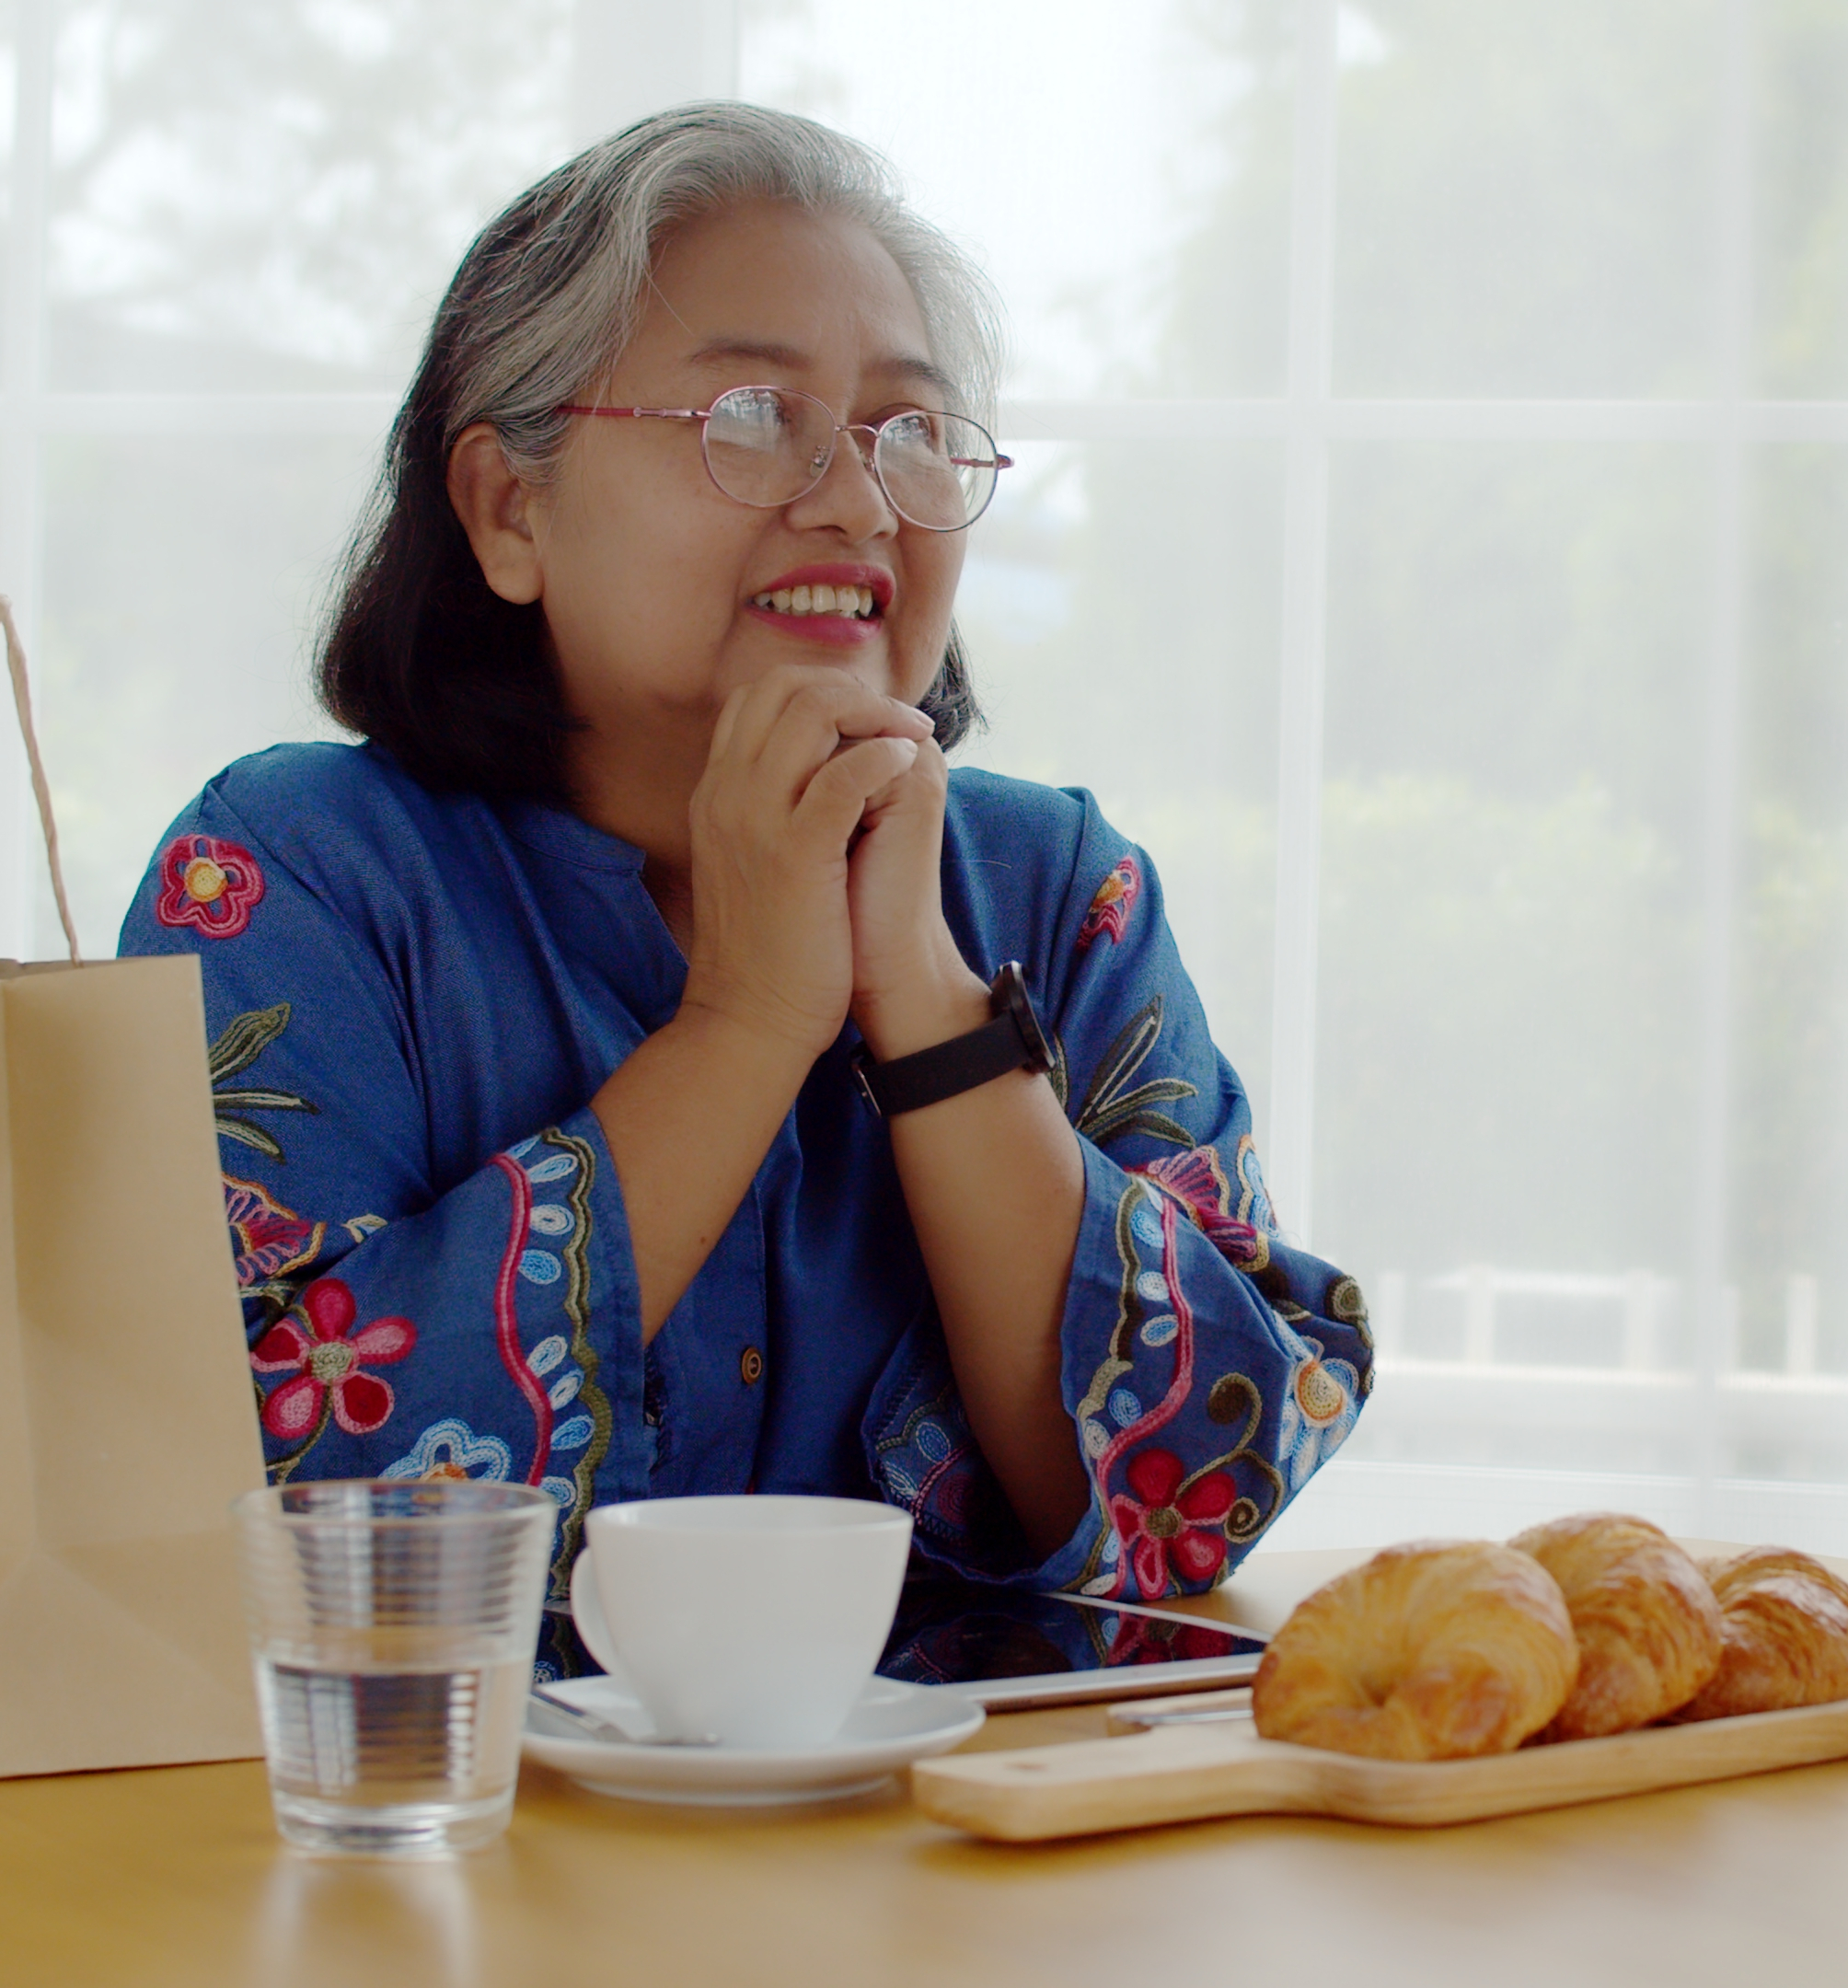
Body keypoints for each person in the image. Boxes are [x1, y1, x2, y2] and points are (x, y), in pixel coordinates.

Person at [121, 105, 1369, 1669]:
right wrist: (751, 1019)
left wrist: (918, 993)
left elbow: (1194, 1500)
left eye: (909, 431)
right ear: (512, 509)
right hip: (461, 1852)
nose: (857, 503)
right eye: (753, 414)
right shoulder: (292, 872)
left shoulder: (1058, 887)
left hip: (966, 1861)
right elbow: (268, 1509)